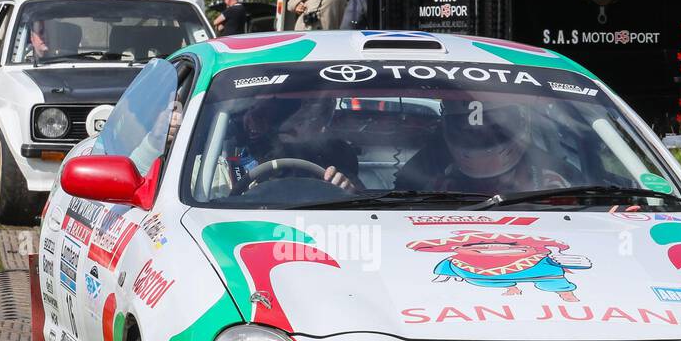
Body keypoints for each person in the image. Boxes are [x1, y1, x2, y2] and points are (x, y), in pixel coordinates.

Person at [399, 100, 571, 194]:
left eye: (496, 129)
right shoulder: (439, 189)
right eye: (470, 132)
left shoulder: (550, 186)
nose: (483, 139)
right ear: (447, 129)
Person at [231, 96, 357, 191]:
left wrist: (346, 189)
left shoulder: (331, 154)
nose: (252, 119)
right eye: (252, 109)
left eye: (263, 114)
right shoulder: (230, 157)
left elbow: (360, 200)